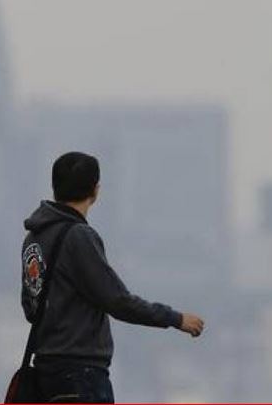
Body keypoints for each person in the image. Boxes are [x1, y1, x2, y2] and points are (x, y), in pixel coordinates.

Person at [19, 151, 205, 403]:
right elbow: (116, 300)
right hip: (80, 374)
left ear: (55, 188)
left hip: (45, 372)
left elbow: (31, 307)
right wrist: (175, 318)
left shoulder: (35, 238)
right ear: (95, 191)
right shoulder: (79, 237)